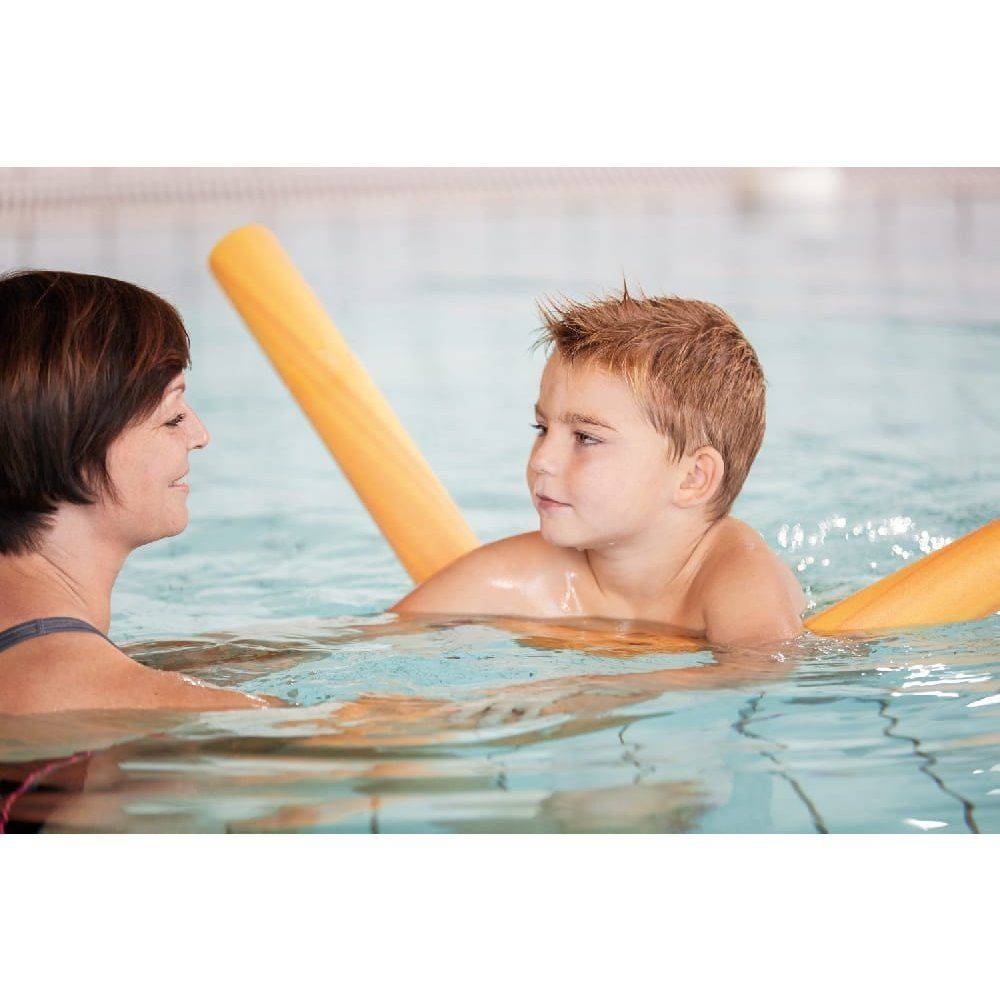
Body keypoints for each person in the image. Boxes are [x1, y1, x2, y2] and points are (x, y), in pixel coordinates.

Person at [393, 290, 807, 648]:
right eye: (542, 428)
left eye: (585, 438)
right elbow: (377, 643)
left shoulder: (737, 578)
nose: (541, 459)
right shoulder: (523, 575)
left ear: (692, 478)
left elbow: (759, 672)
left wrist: (583, 698)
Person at [0, 270, 279, 714]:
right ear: (73, 444)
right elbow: (371, 755)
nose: (200, 436)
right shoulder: (95, 694)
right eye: (172, 418)